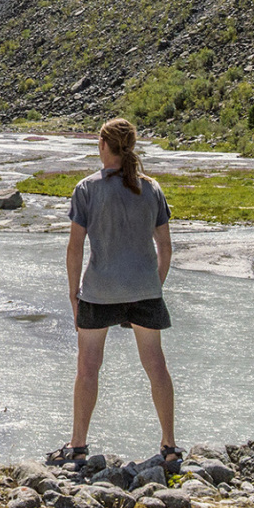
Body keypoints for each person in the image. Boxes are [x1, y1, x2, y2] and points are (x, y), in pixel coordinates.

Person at [47, 116, 178, 469]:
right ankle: (169, 446)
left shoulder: (86, 189)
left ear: (104, 146)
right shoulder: (152, 189)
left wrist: (74, 293)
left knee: (88, 368)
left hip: (99, 289)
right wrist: (155, 284)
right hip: (145, 289)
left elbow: (75, 248)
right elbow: (165, 247)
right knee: (156, 366)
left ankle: (77, 446)